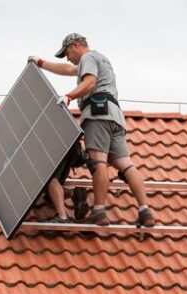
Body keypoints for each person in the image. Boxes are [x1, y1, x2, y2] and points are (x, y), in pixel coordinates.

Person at [29, 33, 155, 227]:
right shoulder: (99, 59)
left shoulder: (88, 57)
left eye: (67, 52)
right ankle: (145, 211)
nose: (68, 57)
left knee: (98, 162)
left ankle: (98, 211)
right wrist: (40, 62)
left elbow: (90, 83)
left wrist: (69, 96)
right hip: (116, 118)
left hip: (98, 115)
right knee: (126, 165)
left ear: (77, 45)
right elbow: (68, 69)